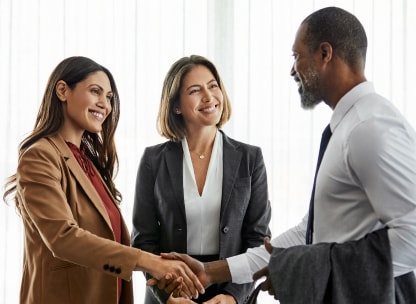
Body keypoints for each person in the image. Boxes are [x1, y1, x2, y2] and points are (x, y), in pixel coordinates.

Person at [155, 7, 416, 303]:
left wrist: (310, 271)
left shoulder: (370, 127)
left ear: (325, 54)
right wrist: (211, 272)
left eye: (297, 56)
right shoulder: (347, 128)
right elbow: (309, 232)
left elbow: (414, 236)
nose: (293, 70)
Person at [2, 56, 204, 304]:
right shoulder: (40, 155)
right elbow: (62, 238)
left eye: (109, 97)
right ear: (63, 90)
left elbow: (109, 248)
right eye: (95, 91)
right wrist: (151, 261)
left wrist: (168, 299)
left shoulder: (88, 162)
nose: (105, 105)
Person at [130, 55, 272, 304]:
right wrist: (167, 296)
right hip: (171, 290)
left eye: (213, 86)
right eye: (195, 90)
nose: (208, 96)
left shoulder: (250, 158)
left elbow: (258, 240)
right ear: (176, 106)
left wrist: (233, 297)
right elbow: (144, 240)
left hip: (231, 288)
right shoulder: (153, 160)